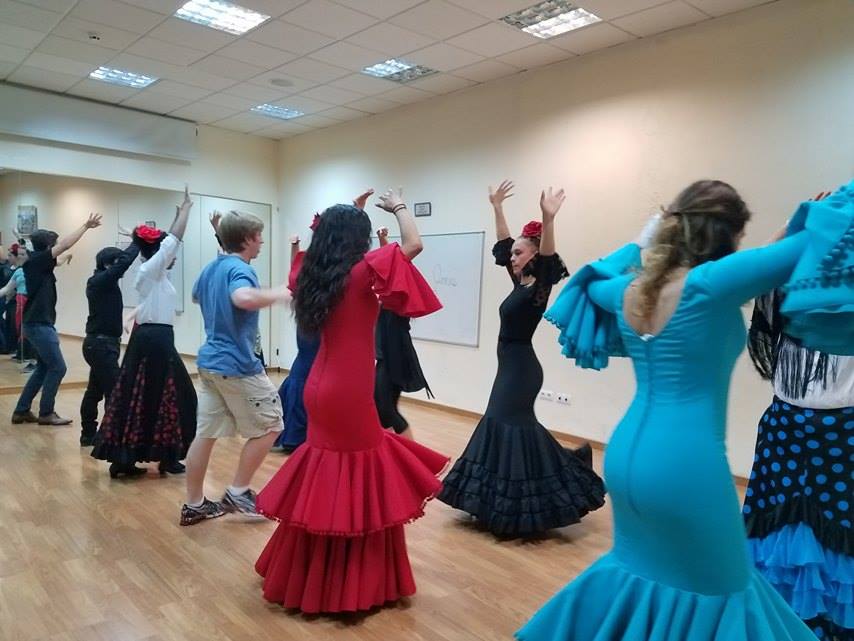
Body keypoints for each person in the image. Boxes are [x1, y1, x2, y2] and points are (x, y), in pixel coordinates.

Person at [517, 180, 825, 641]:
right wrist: (816, 214)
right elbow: (805, 247)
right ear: (729, 236)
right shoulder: (707, 286)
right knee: (724, 588)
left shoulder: (629, 290)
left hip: (625, 460)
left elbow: (593, 275)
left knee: (644, 578)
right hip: (686, 466)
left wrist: (644, 242)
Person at [254, 188, 448, 613]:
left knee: (327, 471)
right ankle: (351, 585)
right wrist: (399, 207)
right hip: (349, 389)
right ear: (358, 241)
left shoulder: (311, 275)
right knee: (358, 473)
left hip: (316, 387)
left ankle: (308, 578)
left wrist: (349, 217)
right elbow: (413, 245)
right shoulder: (362, 272)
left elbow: (327, 248)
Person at [439, 181, 604, 537]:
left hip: (522, 370)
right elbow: (502, 246)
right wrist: (497, 208)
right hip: (511, 367)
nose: (511, 258)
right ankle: (571, 463)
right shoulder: (519, 285)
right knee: (507, 424)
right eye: (513, 254)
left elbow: (547, 260)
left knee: (506, 423)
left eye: (518, 254)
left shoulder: (538, 290)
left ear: (532, 255)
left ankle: (537, 491)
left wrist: (548, 218)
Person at [744, 284, 853, 640]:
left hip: (844, 431)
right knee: (779, 527)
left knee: (839, 536)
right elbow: (759, 291)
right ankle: (781, 621)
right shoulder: (790, 267)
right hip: (785, 424)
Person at [180, 210, 290, 526]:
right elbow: (242, 297)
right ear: (246, 240)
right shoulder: (240, 270)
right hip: (237, 366)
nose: (262, 242)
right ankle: (239, 492)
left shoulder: (213, 267)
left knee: (206, 433)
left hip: (210, 364)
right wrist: (279, 294)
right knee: (272, 426)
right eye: (259, 236)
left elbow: (197, 297)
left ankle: (195, 504)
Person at [91, 188, 196, 478]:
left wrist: (177, 215)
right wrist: (186, 210)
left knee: (160, 396)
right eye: (167, 253)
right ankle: (140, 458)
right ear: (158, 253)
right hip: (154, 341)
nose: (173, 256)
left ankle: (158, 456)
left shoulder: (156, 275)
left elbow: (168, 247)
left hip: (156, 339)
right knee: (159, 396)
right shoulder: (150, 269)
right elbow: (172, 243)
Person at [11, 214, 102, 426]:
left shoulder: (37, 262)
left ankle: (22, 410)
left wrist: (66, 257)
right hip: (39, 325)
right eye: (53, 244)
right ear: (47, 246)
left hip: (37, 323)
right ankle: (46, 413)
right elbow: (65, 244)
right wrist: (85, 226)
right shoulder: (38, 261)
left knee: (44, 367)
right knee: (58, 367)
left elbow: (59, 257)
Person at [373, 226, 432, 440]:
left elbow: (396, 265)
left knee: (387, 410)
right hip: (385, 355)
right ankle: (392, 455)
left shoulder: (397, 294)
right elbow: (388, 266)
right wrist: (383, 240)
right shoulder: (386, 292)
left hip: (396, 354)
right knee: (381, 409)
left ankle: (413, 457)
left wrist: (385, 240)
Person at [78, 242, 140, 447]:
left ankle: (89, 435)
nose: (119, 269)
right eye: (115, 263)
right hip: (100, 346)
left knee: (94, 391)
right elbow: (123, 264)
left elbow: (120, 265)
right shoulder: (99, 281)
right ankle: (109, 436)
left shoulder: (104, 282)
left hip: (101, 346)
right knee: (115, 392)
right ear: (107, 265)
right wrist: (138, 241)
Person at [271, 222, 320, 454]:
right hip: (310, 329)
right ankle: (295, 435)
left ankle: (295, 434)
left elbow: (295, 271)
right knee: (301, 377)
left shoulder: (327, 264)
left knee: (302, 377)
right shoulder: (315, 265)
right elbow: (295, 272)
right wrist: (295, 245)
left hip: (315, 329)